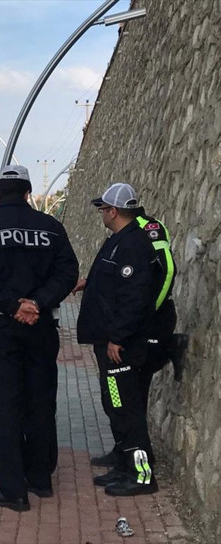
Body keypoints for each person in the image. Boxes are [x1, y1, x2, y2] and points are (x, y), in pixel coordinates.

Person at [0, 165, 78, 512]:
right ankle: (40, 478)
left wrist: (13, 306)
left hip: (1, 328)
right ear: (29, 193)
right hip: (40, 326)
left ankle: (14, 490)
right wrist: (38, 303)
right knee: (40, 401)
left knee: (5, 406)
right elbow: (68, 272)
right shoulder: (51, 227)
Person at [77, 195, 181, 471]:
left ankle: (139, 473)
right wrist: (90, 283)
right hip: (113, 338)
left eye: (102, 209)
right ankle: (125, 457)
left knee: (126, 407)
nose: (101, 214)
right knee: (116, 402)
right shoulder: (120, 239)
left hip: (125, 341)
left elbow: (138, 294)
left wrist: (120, 336)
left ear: (113, 211)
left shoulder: (136, 240)